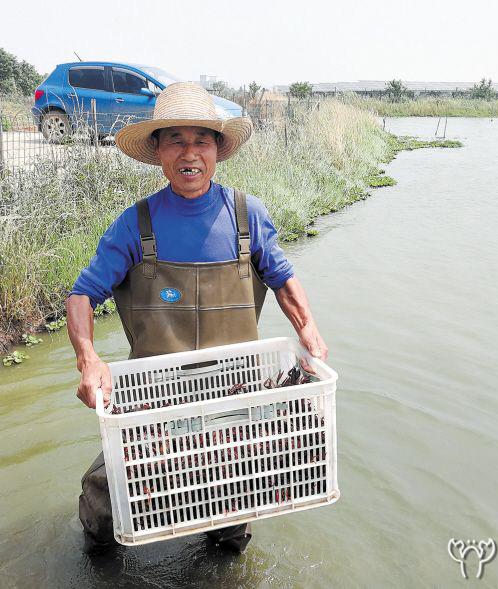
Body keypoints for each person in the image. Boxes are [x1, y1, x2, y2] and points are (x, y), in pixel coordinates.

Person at [66, 82, 327, 553]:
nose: (189, 153)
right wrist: (88, 359)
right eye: (176, 140)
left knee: (231, 528)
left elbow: (283, 278)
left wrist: (307, 329)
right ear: (159, 152)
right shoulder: (135, 223)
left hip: (236, 398)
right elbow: (83, 295)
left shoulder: (247, 215)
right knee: (106, 515)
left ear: (217, 150)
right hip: (156, 397)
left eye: (201, 140)